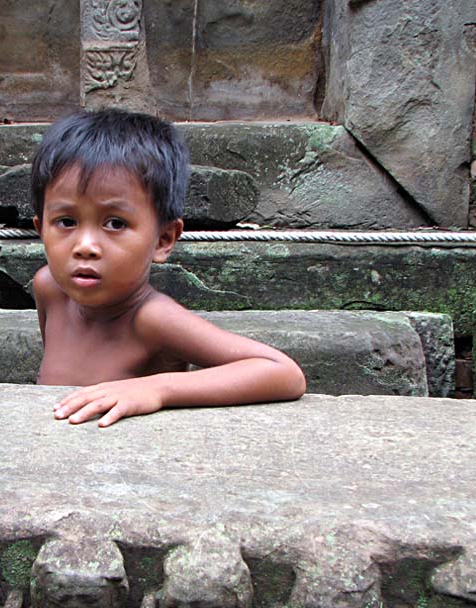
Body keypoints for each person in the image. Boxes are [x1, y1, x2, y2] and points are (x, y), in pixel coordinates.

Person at [30, 108, 306, 428]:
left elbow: (284, 373)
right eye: (66, 221)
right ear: (41, 229)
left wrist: (156, 389)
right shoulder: (49, 287)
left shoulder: (151, 319)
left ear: (163, 240)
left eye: (115, 223)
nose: (85, 246)